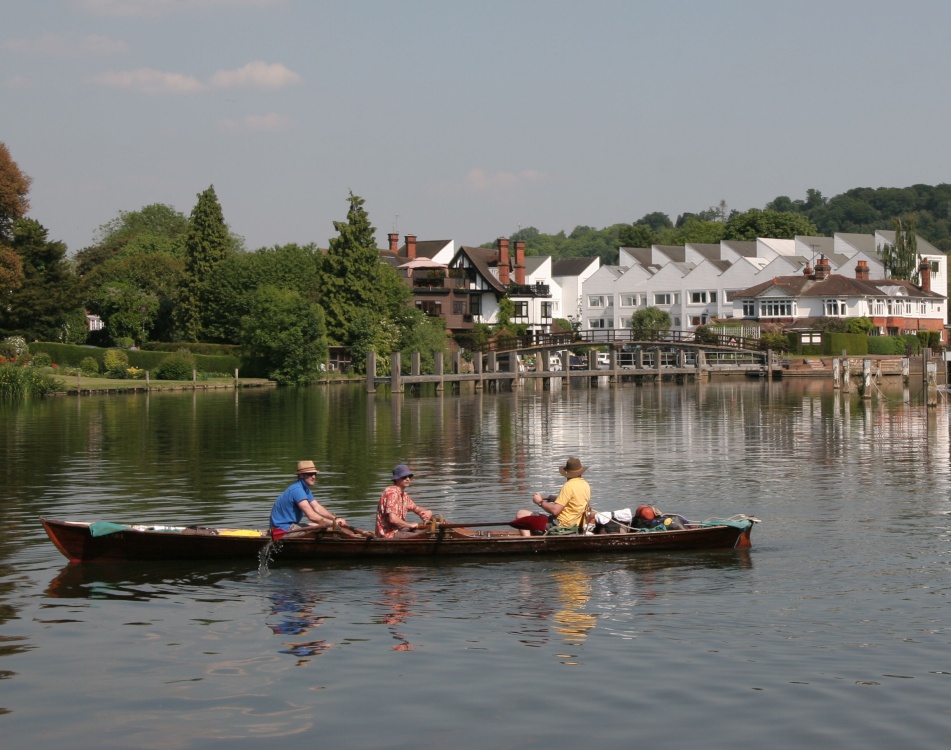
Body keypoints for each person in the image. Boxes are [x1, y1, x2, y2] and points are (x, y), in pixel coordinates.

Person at [269, 460, 348, 538]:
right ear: (301, 475)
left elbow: (317, 507)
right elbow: (311, 516)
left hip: (288, 527)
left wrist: (335, 518)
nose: (313, 477)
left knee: (318, 525)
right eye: (310, 474)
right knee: (321, 527)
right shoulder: (297, 490)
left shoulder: (304, 489)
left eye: (315, 473)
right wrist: (333, 523)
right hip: (281, 531)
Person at [516, 457, 591, 536]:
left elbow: (555, 510)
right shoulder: (586, 485)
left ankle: (529, 543)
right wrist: (556, 499)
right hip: (574, 526)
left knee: (521, 514)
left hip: (560, 526)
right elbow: (575, 502)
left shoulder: (568, 486)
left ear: (567, 473)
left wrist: (540, 502)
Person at [375, 464, 433, 538]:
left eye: (409, 477)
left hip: (400, 530)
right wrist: (410, 525)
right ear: (396, 479)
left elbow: (416, 509)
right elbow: (393, 519)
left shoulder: (403, 495)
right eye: (404, 477)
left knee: (429, 532)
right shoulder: (391, 492)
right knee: (425, 536)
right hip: (388, 534)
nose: (408, 479)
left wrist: (428, 512)